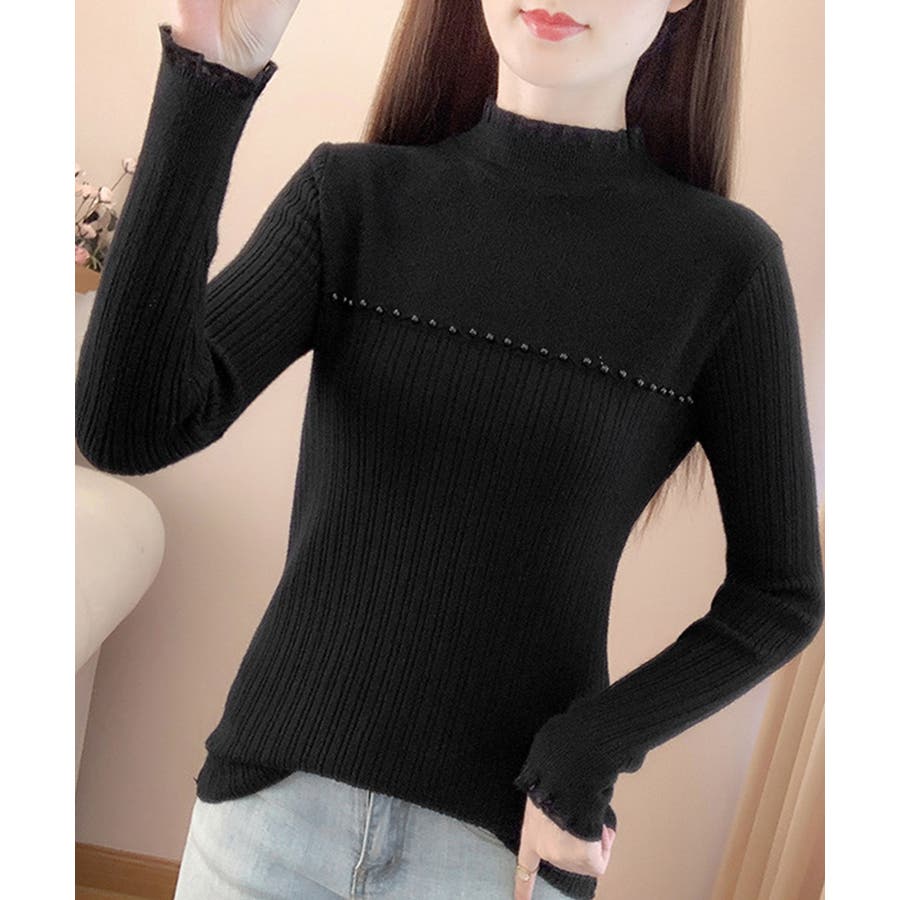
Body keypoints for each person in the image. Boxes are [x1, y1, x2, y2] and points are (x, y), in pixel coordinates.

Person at [74, 0, 825, 898]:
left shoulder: (723, 267)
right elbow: (127, 427)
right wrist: (210, 76)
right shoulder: (353, 197)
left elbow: (781, 593)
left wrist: (590, 749)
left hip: (498, 857)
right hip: (266, 824)